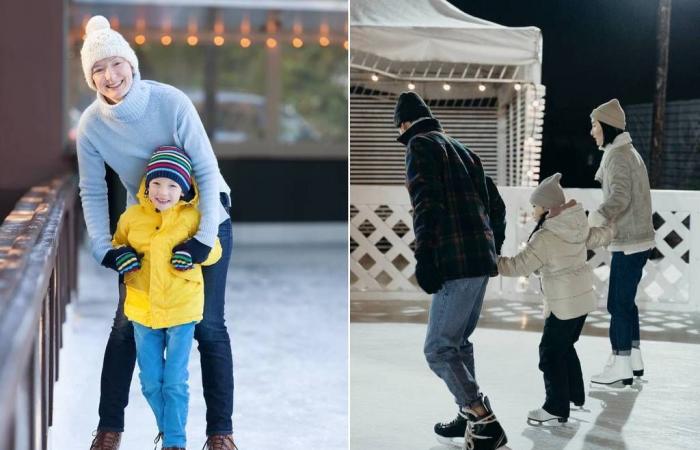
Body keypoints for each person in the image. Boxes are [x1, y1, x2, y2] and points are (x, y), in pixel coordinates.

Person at [77, 16, 236, 450]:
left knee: (208, 326)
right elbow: (91, 189)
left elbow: (205, 169)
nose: (110, 77)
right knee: (127, 325)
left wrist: (204, 238)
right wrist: (103, 248)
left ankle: (220, 434)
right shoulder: (92, 125)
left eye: (115, 64)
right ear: (91, 78)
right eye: (98, 70)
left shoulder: (170, 102)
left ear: (130, 62)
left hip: (206, 218)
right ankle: (110, 428)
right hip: (145, 227)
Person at [395, 91, 508, 450]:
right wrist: (491, 247)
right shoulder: (465, 150)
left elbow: (426, 203)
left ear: (404, 125)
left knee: (439, 348)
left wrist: (425, 257)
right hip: (478, 261)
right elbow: (498, 207)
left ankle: (482, 419)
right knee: (458, 342)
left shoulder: (419, 146)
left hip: (454, 261)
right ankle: (466, 415)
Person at [104, 146, 222, 449]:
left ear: (184, 190)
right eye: (156, 182)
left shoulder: (194, 218)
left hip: (182, 309)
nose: (163, 191)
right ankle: (170, 431)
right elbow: (116, 244)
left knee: (174, 381)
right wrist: (122, 255)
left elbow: (214, 250)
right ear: (147, 184)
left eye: (172, 185)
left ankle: (174, 442)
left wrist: (194, 252)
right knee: (150, 381)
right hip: (143, 310)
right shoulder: (131, 217)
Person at [497, 173, 614, 425]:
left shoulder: (545, 237)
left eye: (535, 205)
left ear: (547, 207)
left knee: (549, 353)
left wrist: (491, 261)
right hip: (581, 301)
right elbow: (598, 236)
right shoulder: (576, 225)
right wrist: (614, 227)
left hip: (563, 304)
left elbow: (518, 266)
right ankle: (574, 395)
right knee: (565, 346)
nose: (532, 210)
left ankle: (555, 408)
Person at [588, 99, 655, 386]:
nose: (592, 131)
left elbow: (620, 196)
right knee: (626, 303)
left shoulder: (617, 156)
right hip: (637, 240)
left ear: (607, 126)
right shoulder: (628, 152)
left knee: (617, 304)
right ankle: (632, 358)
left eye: (594, 125)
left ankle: (621, 363)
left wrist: (596, 217)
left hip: (629, 241)